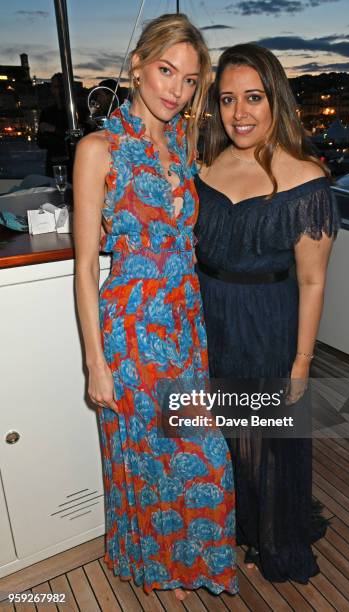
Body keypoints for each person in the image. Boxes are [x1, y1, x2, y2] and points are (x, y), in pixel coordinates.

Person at [73, 14, 237, 600]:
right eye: (167, 71)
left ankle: (181, 565)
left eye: (190, 80)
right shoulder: (99, 148)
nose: (176, 89)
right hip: (134, 329)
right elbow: (87, 266)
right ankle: (161, 564)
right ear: (138, 65)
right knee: (155, 453)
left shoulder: (184, 144)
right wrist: (96, 362)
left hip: (184, 324)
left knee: (193, 453)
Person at [195, 43, 340, 583]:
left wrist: (301, 362)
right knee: (225, 435)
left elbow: (313, 279)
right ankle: (240, 523)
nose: (240, 113)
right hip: (211, 317)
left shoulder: (306, 181)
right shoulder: (206, 168)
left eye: (253, 97)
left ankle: (275, 538)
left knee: (269, 444)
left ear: (275, 99)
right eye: (228, 99)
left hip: (268, 321)